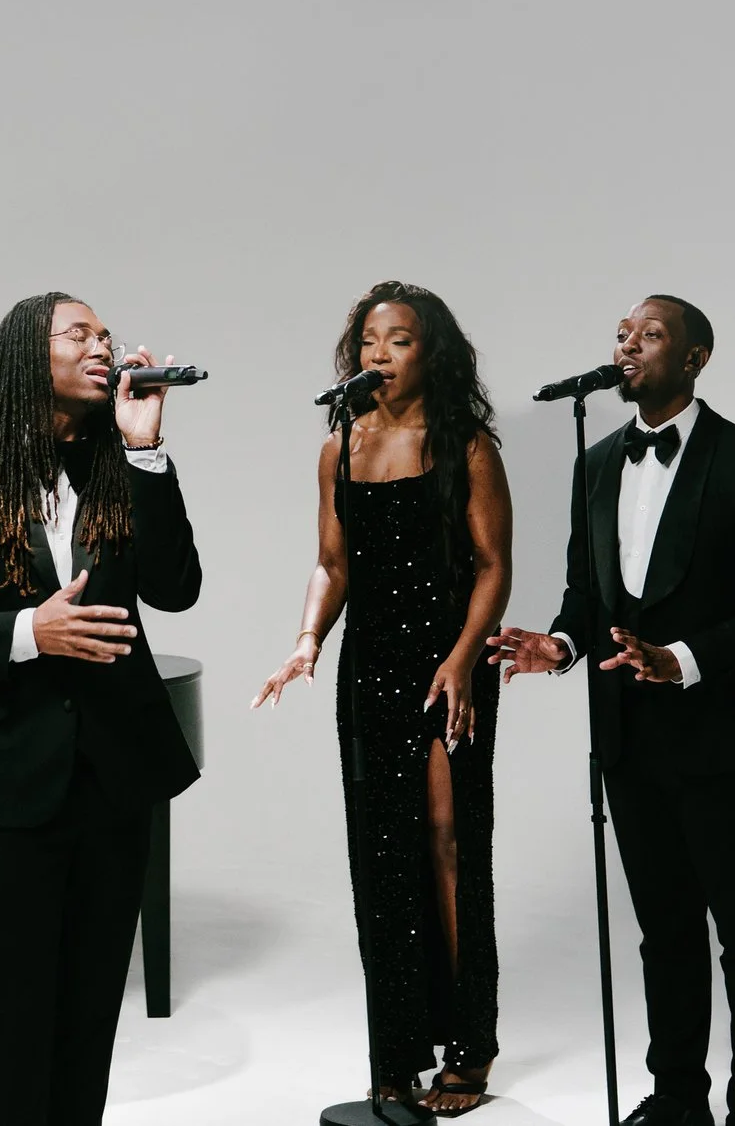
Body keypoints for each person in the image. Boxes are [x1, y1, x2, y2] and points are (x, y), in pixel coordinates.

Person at [0, 291, 201, 1126]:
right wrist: (27, 631)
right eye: (79, 333)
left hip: (116, 771)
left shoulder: (123, 463)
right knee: (15, 1013)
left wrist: (148, 450)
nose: (103, 344)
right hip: (11, 772)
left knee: (92, 1009)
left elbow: (176, 587)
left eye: (107, 334)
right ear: (27, 354)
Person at [489, 295, 735, 1126]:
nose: (628, 346)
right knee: (664, 932)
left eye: (649, 335)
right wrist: (557, 645)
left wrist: (684, 659)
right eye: (621, 335)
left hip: (723, 733)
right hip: (628, 738)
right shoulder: (595, 465)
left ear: (697, 357)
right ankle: (675, 1102)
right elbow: (585, 597)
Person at [255, 282, 513, 1115]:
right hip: (369, 668)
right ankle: (395, 1054)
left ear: (430, 352)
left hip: (448, 665)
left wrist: (465, 659)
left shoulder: (465, 443)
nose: (378, 354)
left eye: (397, 340)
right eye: (369, 339)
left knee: (446, 844)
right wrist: (305, 643)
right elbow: (332, 565)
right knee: (381, 861)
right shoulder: (341, 442)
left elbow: (493, 565)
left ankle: (470, 1046)